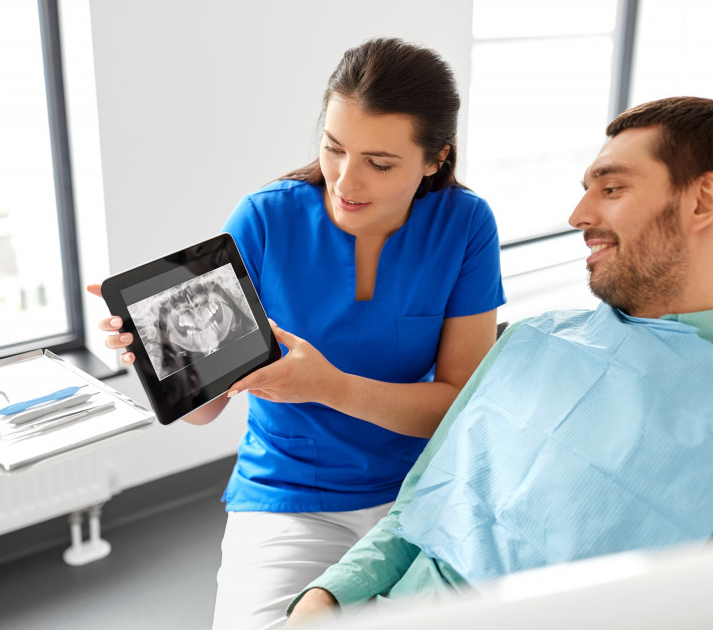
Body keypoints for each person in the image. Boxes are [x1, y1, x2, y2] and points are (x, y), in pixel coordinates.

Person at [286, 96, 713, 625]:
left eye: (611, 189)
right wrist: (326, 595)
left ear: (702, 201)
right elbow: (418, 508)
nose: (578, 213)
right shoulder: (532, 341)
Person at [89, 37, 506, 629]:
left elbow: (460, 406)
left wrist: (330, 386)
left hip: (420, 491)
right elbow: (204, 413)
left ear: (435, 159)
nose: (345, 179)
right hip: (290, 495)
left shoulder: (465, 226)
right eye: (334, 148)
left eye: (379, 163)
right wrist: (161, 361)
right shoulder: (266, 219)